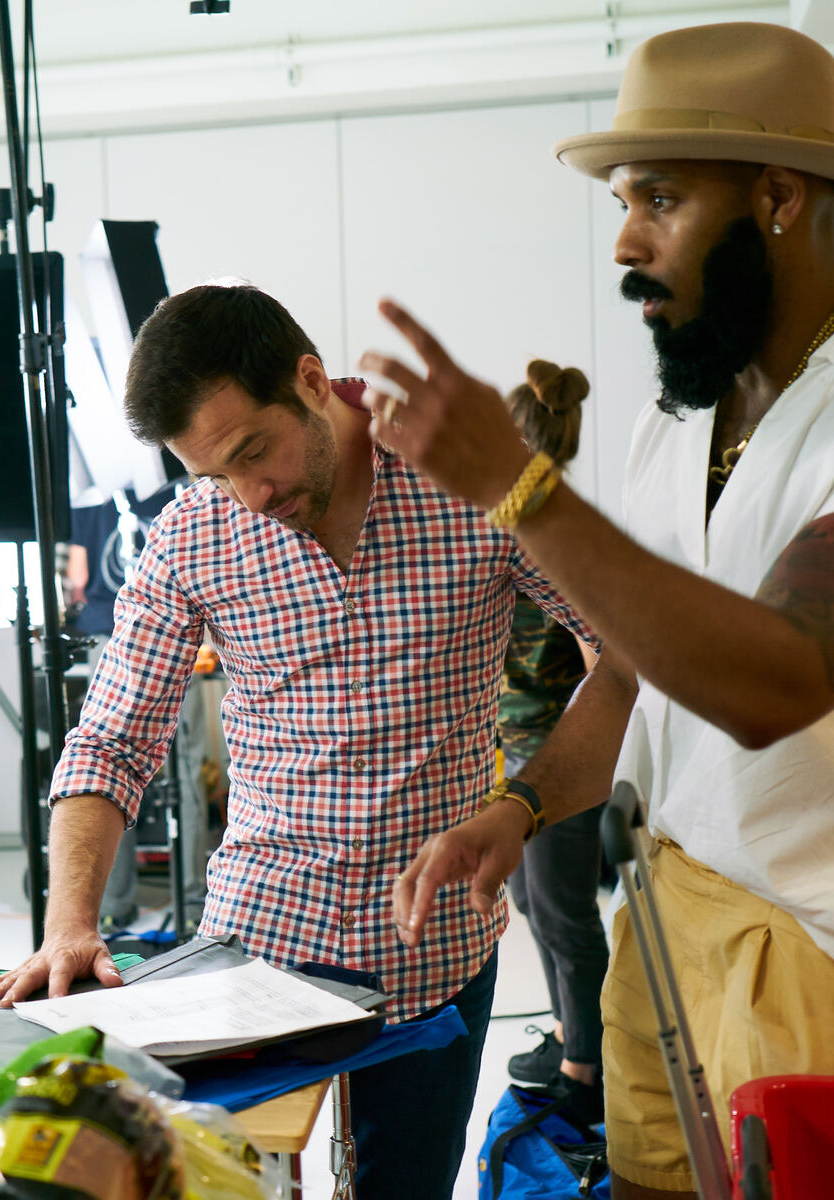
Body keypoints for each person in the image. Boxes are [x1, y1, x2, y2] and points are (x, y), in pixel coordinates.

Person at [0, 283, 596, 1198]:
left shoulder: (467, 482)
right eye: (214, 472)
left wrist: (526, 802)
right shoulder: (194, 532)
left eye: (253, 452)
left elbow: (617, 648)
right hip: (259, 946)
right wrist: (70, 920)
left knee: (406, 1185)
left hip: (438, 944)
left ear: (312, 380)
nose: (250, 495)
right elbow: (110, 741)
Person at [359, 22, 834, 1200]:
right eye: (624, 200)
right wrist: (519, 807)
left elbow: (775, 682)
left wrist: (520, 493)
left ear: (779, 196)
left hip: (808, 958)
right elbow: (630, 671)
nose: (625, 240)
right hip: (664, 929)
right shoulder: (677, 420)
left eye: (661, 198)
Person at [496, 362, 607, 1122]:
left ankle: (587, 1069)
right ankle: (572, 1028)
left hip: (559, 764)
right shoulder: (513, 528)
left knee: (565, 912)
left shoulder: (556, 537)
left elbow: (583, 659)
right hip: (515, 759)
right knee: (529, 899)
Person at [65, 489, 212, 933]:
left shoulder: (88, 490)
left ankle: (113, 905)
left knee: (108, 758)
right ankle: (192, 899)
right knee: (185, 767)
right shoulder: (175, 487)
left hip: (105, 632)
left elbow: (77, 576)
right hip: (180, 631)